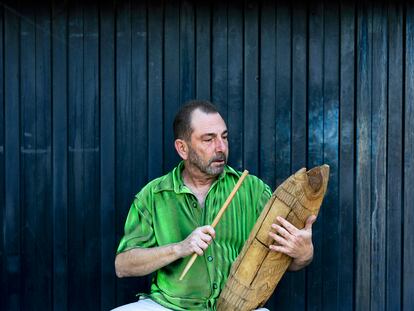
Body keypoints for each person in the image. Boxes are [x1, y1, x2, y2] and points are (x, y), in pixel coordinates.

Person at [113, 100, 316, 311]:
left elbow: (286, 259)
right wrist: (179, 248)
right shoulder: (153, 196)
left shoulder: (252, 190)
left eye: (224, 137)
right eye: (208, 139)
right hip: (170, 306)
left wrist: (303, 254)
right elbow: (123, 265)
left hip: (238, 306)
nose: (221, 147)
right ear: (182, 148)